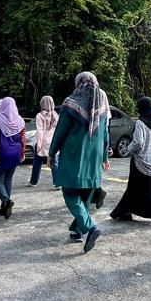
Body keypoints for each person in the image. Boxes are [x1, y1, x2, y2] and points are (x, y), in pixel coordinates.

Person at [48, 72, 110, 252]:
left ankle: (90, 228)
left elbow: (61, 130)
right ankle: (77, 231)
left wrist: (52, 152)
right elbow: (105, 132)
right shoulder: (102, 104)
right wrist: (105, 156)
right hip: (95, 155)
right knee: (85, 193)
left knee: (70, 192)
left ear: (79, 83)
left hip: (75, 153)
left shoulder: (71, 102)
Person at [110, 97, 151, 226]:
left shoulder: (140, 123)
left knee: (134, 187)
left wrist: (128, 150)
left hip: (141, 161)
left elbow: (138, 142)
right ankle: (125, 211)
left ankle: (126, 211)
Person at [0, 96, 26, 220]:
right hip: (15, 154)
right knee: (8, 179)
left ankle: (6, 200)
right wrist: (22, 152)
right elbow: (23, 138)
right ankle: (4, 207)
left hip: (0, 154)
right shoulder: (20, 120)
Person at [30, 95, 60, 187]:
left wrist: (39, 145)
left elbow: (40, 131)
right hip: (53, 141)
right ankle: (57, 183)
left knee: (37, 162)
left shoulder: (40, 115)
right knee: (54, 162)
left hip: (43, 141)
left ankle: (34, 181)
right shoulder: (55, 115)